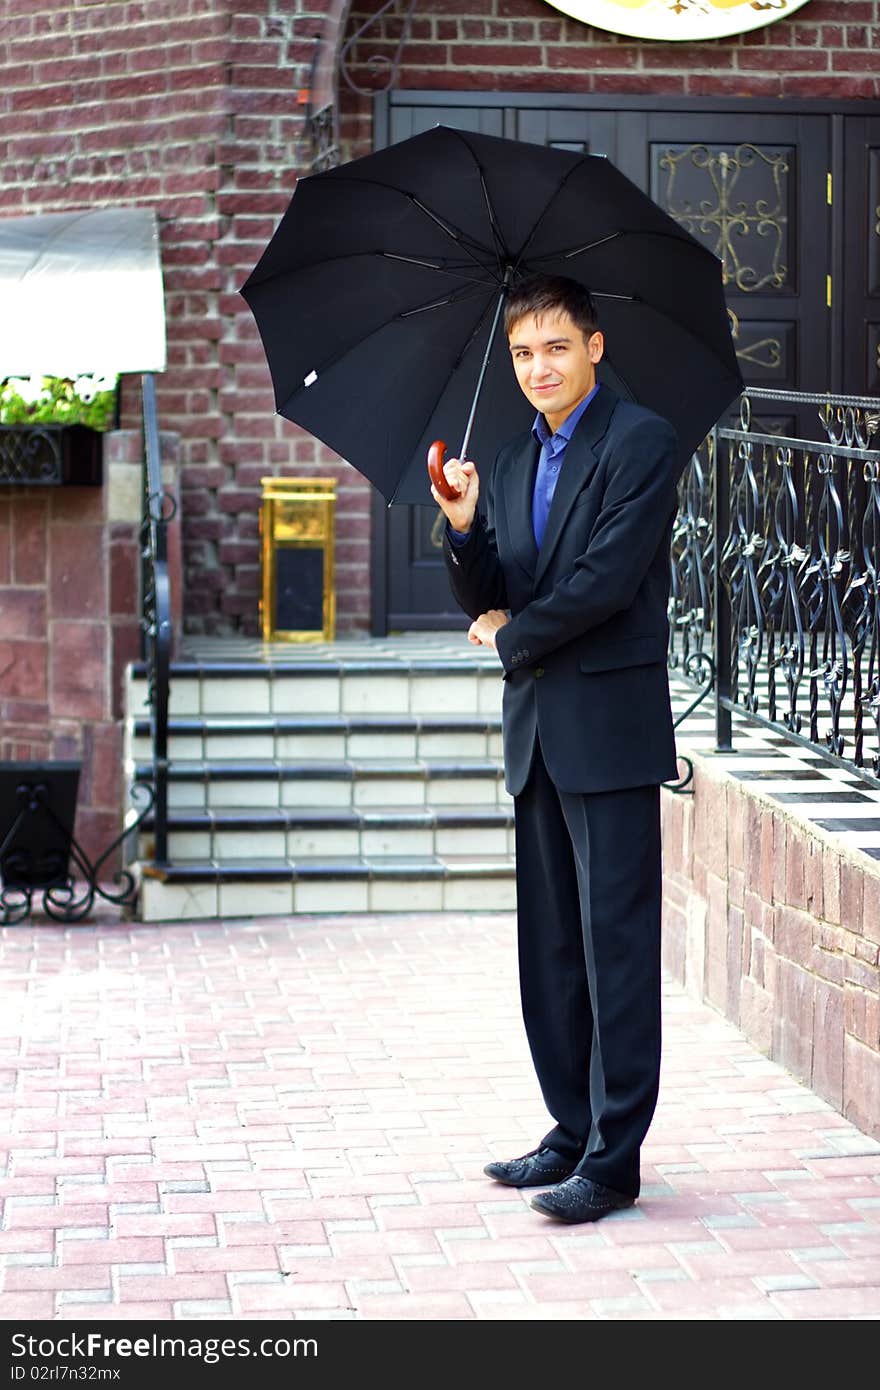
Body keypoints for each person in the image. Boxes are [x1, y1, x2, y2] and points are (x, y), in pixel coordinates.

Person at [431, 274, 679, 1225]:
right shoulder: (507, 452)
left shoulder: (641, 441)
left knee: (615, 948)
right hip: (537, 733)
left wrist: (511, 634)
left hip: (609, 734)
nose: (539, 368)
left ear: (595, 348)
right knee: (552, 949)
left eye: (557, 349)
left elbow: (606, 582)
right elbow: (495, 586)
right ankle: (568, 1133)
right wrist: (462, 528)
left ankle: (614, 1163)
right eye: (525, 353)